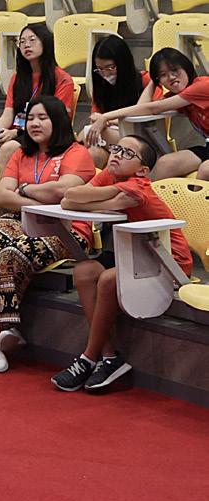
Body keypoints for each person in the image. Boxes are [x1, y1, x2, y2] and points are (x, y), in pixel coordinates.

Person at [0, 96, 95, 372]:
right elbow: (3, 196)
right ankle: (6, 328)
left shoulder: (76, 153)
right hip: (19, 219)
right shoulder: (21, 153)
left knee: (13, 252)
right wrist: (37, 199)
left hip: (65, 228)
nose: (34, 123)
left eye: (42, 118)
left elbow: (63, 192)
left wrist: (24, 190)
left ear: (58, 121)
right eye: (30, 118)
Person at [52, 137, 193, 392]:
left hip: (168, 261)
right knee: (84, 271)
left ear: (142, 170)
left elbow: (81, 199)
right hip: (135, 256)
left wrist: (89, 202)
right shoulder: (111, 174)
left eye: (128, 153)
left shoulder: (138, 186)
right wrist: (102, 201)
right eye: (116, 148)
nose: (116, 154)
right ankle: (109, 357)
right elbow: (69, 198)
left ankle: (88, 358)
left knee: (108, 279)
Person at [86, 47, 209, 181]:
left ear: (187, 68)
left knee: (205, 169)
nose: (171, 77)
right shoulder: (177, 96)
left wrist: (105, 117)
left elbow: (152, 108)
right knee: (165, 164)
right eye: (163, 75)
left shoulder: (202, 86)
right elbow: (140, 110)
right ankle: (149, 195)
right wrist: (153, 82)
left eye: (175, 70)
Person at [0, 22, 75, 168]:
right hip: (17, 133)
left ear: (46, 42)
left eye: (32, 40)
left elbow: (56, 119)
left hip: (44, 134)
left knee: (8, 148)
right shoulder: (17, 78)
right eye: (22, 41)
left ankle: (2, 184)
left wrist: (15, 133)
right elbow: (8, 114)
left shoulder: (62, 79)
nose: (26, 45)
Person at [78, 34, 150, 167]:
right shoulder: (100, 84)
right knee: (93, 154)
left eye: (110, 68)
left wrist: (106, 120)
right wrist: (100, 120)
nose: (105, 74)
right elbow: (95, 117)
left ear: (123, 63)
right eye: (100, 69)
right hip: (108, 137)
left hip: (138, 135)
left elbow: (145, 114)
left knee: (88, 133)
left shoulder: (145, 81)